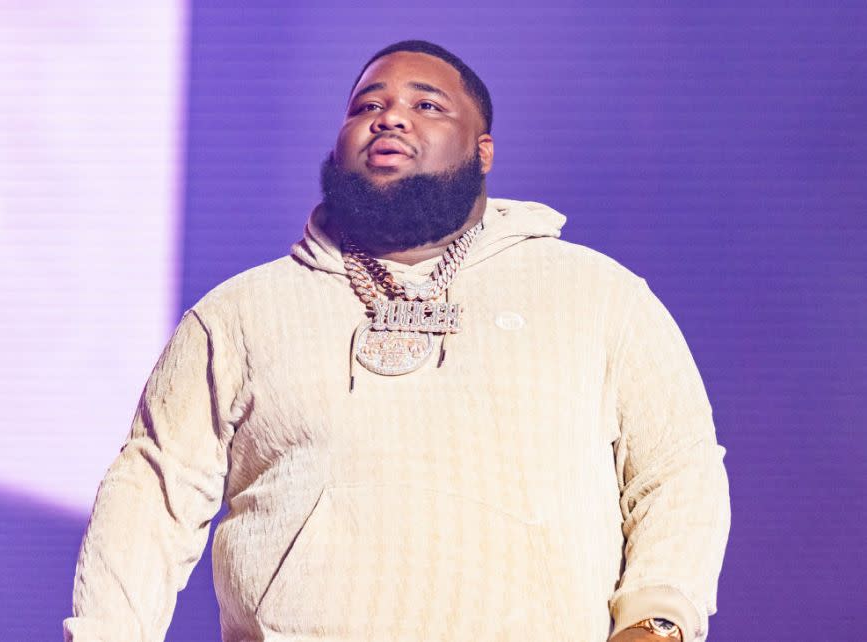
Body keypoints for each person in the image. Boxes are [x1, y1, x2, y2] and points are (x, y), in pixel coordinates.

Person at [64, 40, 731, 642]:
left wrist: (658, 618)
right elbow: (150, 494)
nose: (389, 116)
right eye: (367, 105)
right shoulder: (239, 312)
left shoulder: (596, 294)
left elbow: (677, 470)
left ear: (483, 148)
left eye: (427, 104)